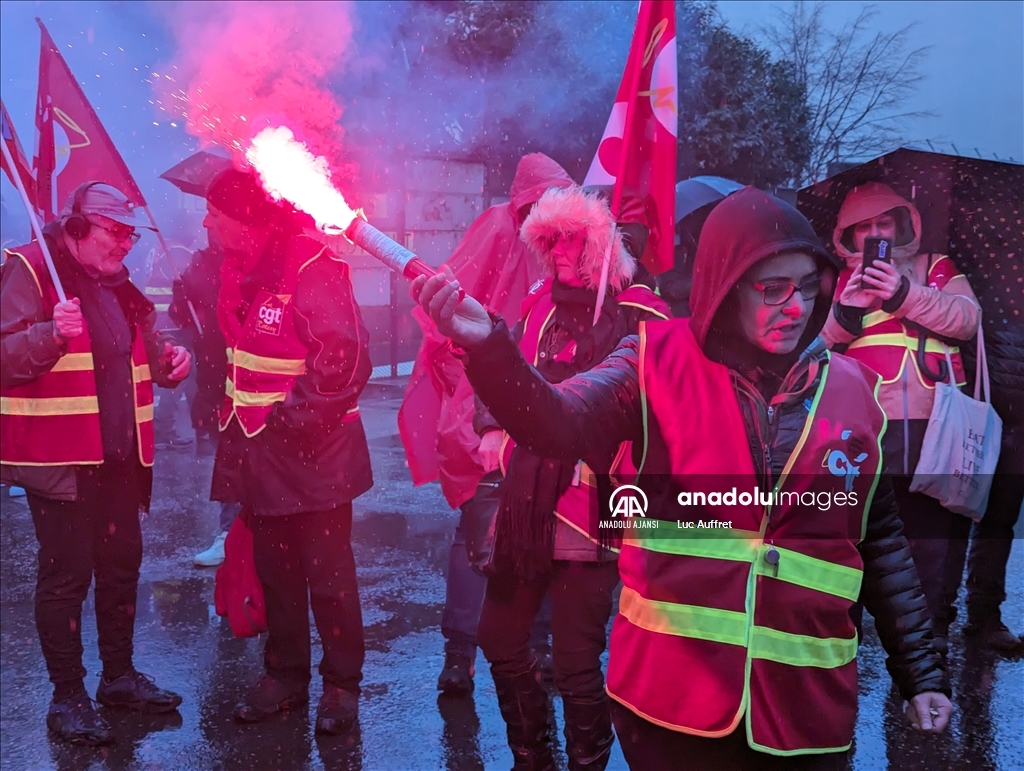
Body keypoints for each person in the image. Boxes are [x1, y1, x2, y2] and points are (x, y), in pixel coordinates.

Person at [413, 186, 952, 771]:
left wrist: (921, 672)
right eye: (772, 288)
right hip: (672, 712)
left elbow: (880, 544)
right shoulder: (652, 362)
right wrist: (489, 347)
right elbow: (558, 422)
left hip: (808, 719)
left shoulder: (854, 393)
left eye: (807, 286)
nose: (796, 307)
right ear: (726, 286)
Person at [469, 185, 670, 770]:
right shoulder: (539, 305)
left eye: (572, 239)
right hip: (527, 496)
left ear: (601, 245)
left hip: (596, 499)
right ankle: (532, 757)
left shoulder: (640, 312)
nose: (558, 251)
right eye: (551, 239)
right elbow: (505, 367)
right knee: (500, 639)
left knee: (575, 660)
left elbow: (657, 404)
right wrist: (490, 424)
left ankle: (586, 763)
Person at [0, 182, 192, 746]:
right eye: (117, 232)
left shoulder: (119, 285)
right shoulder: (31, 270)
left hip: (120, 459)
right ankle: (67, 696)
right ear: (78, 228)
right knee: (66, 578)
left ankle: (119, 678)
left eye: (132, 235)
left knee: (121, 568)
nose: (126, 245)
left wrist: (169, 364)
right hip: (61, 460)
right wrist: (49, 334)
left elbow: (142, 353)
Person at [206, 169, 373, 736]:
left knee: (328, 578)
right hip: (262, 454)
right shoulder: (240, 268)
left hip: (314, 456)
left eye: (215, 215)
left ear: (244, 220)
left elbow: (344, 361)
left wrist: (286, 427)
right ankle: (284, 676)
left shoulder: (310, 265)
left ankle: (341, 685)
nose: (206, 223)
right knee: (275, 573)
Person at [403, 153, 576, 695]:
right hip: (492, 398)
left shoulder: (555, 240)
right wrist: (477, 384)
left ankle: (529, 648)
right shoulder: (502, 229)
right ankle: (465, 652)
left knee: (541, 523)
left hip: (540, 397)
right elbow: (452, 317)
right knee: (483, 526)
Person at [820, 181, 981, 654]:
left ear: (903, 225)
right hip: (862, 434)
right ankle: (838, 651)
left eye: (884, 223)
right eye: (863, 226)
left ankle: (926, 656)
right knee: (851, 545)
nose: (875, 233)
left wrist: (903, 293)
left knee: (931, 548)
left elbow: (967, 320)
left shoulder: (936, 268)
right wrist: (846, 311)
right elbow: (811, 348)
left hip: (937, 431)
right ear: (848, 235)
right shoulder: (834, 279)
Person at [167, 206, 241, 567]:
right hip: (213, 376)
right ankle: (231, 533)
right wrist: (181, 298)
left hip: (248, 374)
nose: (209, 225)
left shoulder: (249, 263)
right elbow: (182, 316)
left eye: (217, 216)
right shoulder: (198, 264)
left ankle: (248, 532)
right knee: (228, 455)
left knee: (249, 456)